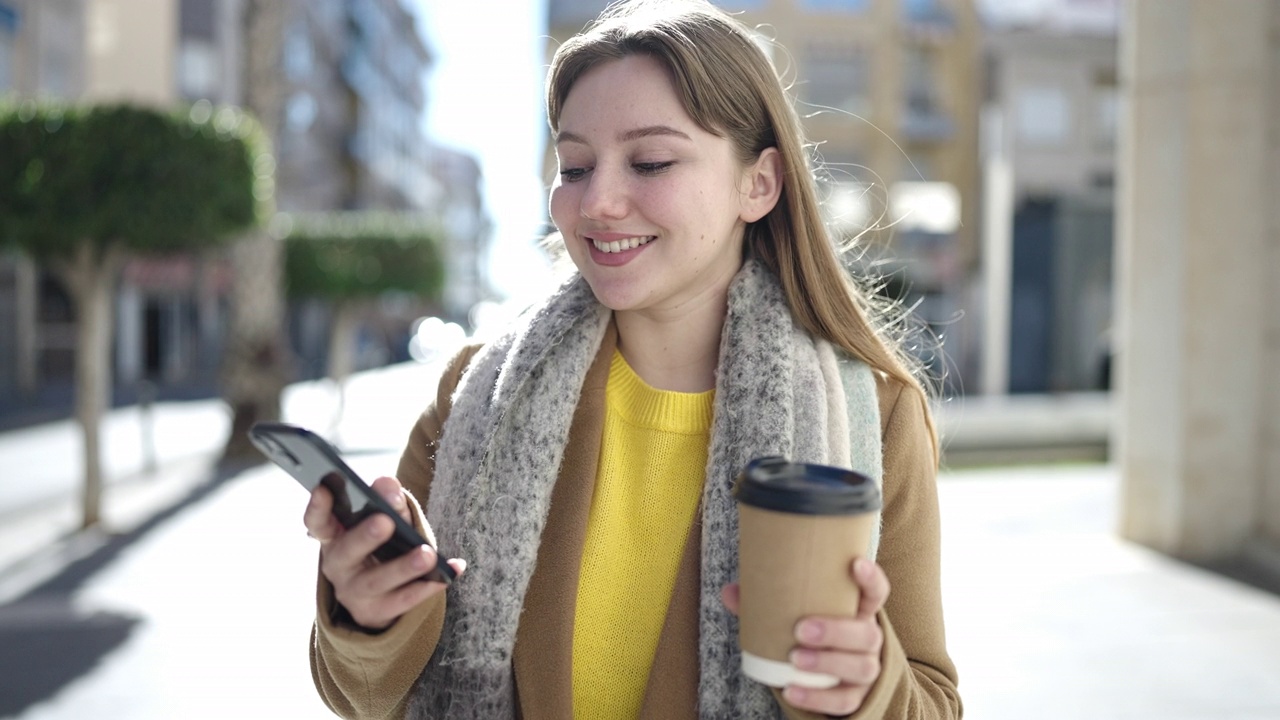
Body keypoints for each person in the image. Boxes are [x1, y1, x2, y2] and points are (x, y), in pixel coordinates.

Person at [302, 1, 961, 718]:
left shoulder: (879, 417)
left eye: (650, 161)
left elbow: (929, 701)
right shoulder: (472, 392)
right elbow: (363, 693)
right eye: (575, 166)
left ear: (759, 183)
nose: (599, 202)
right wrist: (368, 615)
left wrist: (864, 689)